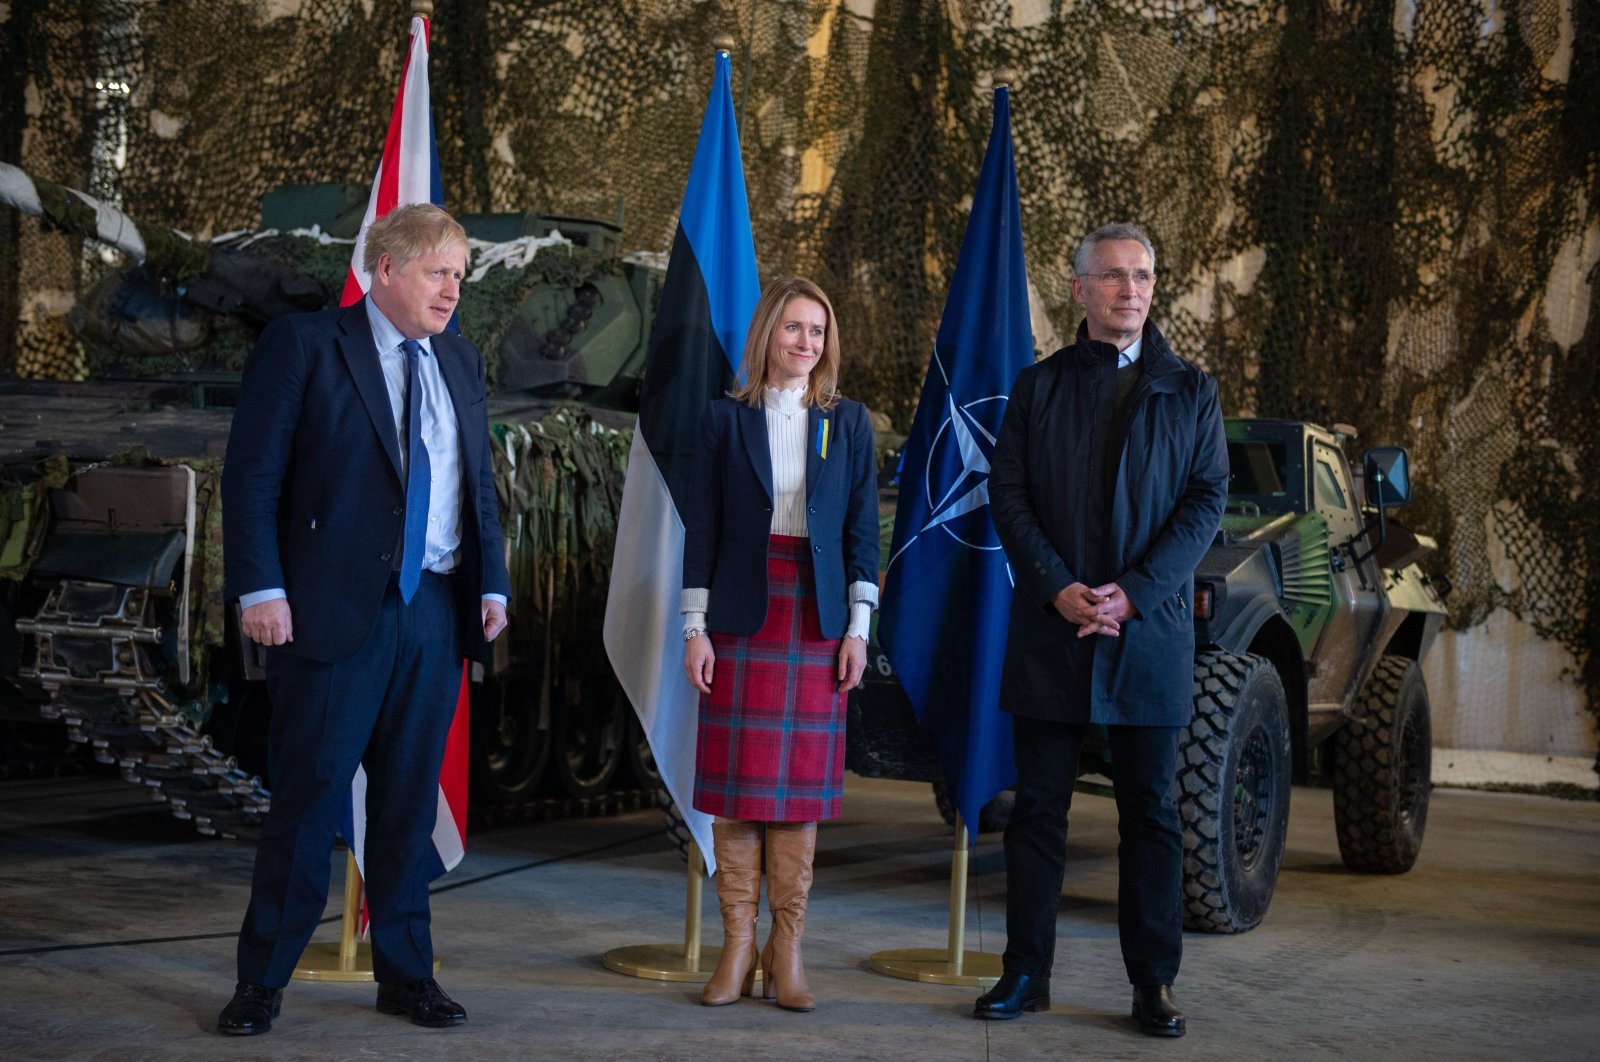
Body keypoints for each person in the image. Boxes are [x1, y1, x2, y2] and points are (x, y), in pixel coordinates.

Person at [215, 203, 510, 1035]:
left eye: (459, 274)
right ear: (385, 270)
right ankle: (262, 984)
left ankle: (406, 976)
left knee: (409, 807)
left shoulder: (460, 360)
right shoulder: (306, 346)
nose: (451, 289)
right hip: (331, 615)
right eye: (436, 272)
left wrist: (493, 583)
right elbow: (253, 477)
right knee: (308, 805)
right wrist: (259, 590)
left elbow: (473, 484)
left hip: (435, 613)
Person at [975, 223, 1228, 1037]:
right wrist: (1057, 589)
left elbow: (1205, 503)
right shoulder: (1037, 387)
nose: (1131, 290)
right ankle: (1025, 974)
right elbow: (1007, 493)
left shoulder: (1192, 391)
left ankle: (1153, 984)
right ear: (1079, 288)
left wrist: (1136, 594)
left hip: (1145, 637)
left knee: (1151, 814)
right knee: (1038, 811)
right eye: (1113, 276)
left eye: (1144, 275)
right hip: (1055, 630)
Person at [680, 276, 879, 1012]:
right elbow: (701, 529)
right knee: (735, 791)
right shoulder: (723, 421)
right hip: (740, 613)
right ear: (768, 334)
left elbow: (863, 531)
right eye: (794, 328)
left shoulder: (847, 421)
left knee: (797, 795)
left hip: (816, 616)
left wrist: (859, 628)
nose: (806, 343)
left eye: (818, 332)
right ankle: (736, 946)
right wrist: (694, 629)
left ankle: (785, 950)